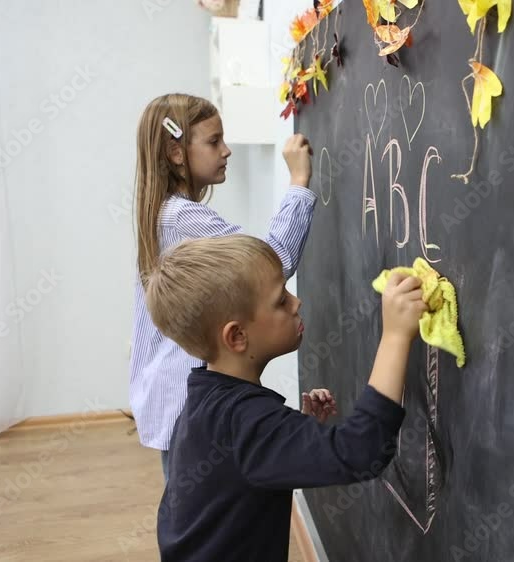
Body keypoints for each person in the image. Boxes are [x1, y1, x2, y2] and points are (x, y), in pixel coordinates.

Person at [143, 234, 427, 561]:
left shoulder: (203, 399)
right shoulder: (248, 422)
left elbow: (242, 465)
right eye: (280, 301)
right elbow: (361, 450)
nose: (296, 303)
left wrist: (300, 431)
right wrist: (395, 335)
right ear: (237, 336)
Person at [128, 93, 317, 479]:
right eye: (214, 142)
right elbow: (270, 263)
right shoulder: (182, 218)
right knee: (197, 507)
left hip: (170, 393)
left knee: (192, 505)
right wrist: (298, 181)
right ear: (176, 153)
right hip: (184, 397)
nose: (226, 151)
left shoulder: (163, 211)